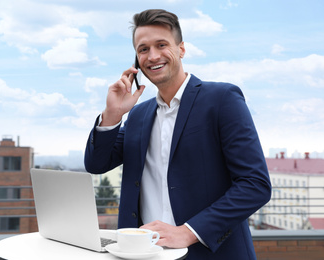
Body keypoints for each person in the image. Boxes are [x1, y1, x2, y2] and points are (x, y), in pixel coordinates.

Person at [84, 9, 271, 260]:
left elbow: (255, 185)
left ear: (181, 49)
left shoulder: (221, 99)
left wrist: (189, 231)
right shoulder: (138, 115)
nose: (153, 56)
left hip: (209, 253)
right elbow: (96, 164)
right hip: (146, 253)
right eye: (143, 49)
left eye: (162, 45)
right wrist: (112, 114)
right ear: (136, 61)